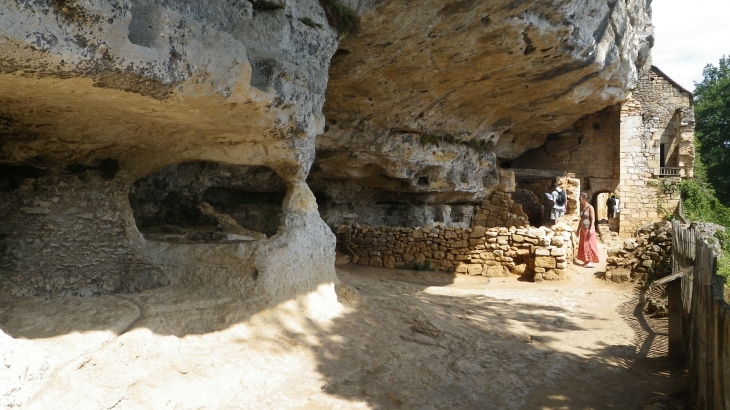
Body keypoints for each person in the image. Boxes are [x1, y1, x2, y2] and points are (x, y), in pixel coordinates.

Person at [575, 192, 599, 268]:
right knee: (583, 245)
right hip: (583, 229)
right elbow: (581, 220)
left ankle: (591, 261)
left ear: (584, 199)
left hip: (588, 229)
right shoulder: (583, 207)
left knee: (589, 245)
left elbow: (593, 219)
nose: (579, 200)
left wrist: (591, 228)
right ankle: (586, 260)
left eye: (580, 198)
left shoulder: (590, 207)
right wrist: (578, 229)